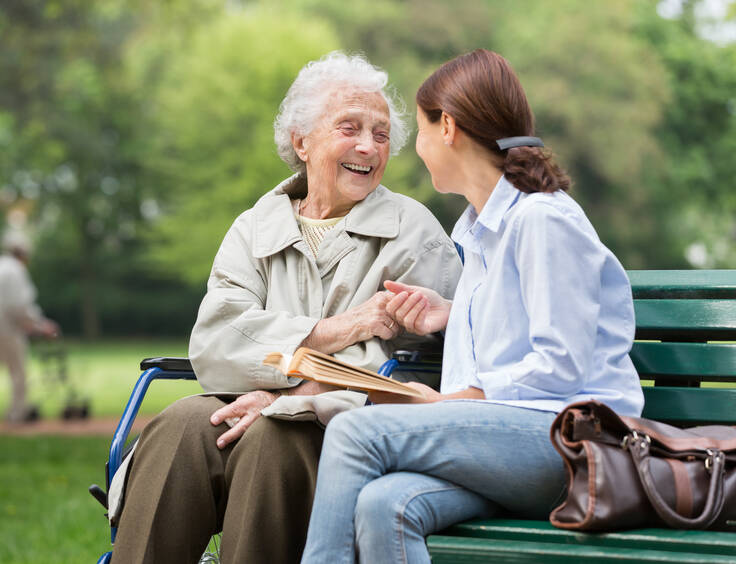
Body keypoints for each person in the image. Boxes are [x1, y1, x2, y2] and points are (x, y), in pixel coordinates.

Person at [109, 52, 462, 564]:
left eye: (381, 134)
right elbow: (216, 341)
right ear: (302, 140)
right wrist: (343, 328)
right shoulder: (254, 227)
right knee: (180, 426)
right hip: (246, 401)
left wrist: (287, 396)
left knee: (271, 440)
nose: (368, 146)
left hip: (344, 427)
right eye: (350, 128)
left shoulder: (414, 233)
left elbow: (425, 368)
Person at [300, 49, 646, 564]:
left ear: (449, 128)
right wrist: (451, 311)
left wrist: (451, 401)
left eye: (417, 131)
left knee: (356, 430)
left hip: (571, 445)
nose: (413, 148)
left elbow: (562, 364)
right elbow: (521, 325)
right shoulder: (481, 231)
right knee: (383, 504)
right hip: (514, 448)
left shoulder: (542, 220)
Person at [0, 229, 58, 423]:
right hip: (7, 330)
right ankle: (17, 415)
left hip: (6, 326)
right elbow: (20, 306)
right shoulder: (16, 270)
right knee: (18, 373)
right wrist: (41, 326)